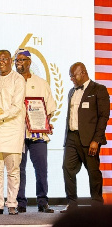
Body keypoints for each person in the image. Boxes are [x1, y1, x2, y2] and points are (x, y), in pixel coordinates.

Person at [60, 62, 110, 213]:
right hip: (71, 137)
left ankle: (96, 204)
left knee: (93, 171)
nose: (71, 78)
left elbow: (103, 116)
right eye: (70, 75)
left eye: (73, 75)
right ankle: (72, 203)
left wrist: (97, 139)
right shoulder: (71, 92)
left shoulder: (99, 89)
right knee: (67, 168)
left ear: (83, 72)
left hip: (90, 139)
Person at [0, 50, 26, 215]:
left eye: (4, 59)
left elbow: (16, 107)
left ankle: (12, 204)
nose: (0, 62)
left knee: (13, 171)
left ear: (11, 60)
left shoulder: (18, 79)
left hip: (12, 131)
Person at [15, 49, 56, 213]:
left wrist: (47, 123)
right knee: (18, 170)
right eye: (17, 60)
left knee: (41, 168)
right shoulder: (11, 82)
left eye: (22, 60)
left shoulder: (41, 83)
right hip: (17, 134)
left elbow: (50, 107)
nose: (19, 63)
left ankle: (42, 201)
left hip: (37, 134)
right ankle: (20, 203)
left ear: (29, 62)